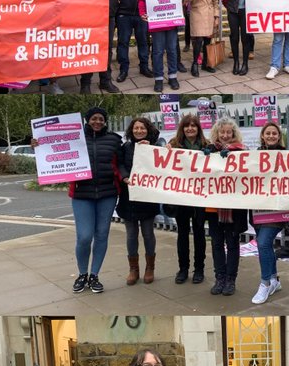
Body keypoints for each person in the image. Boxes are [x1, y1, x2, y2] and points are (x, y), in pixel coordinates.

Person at [32, 107, 121, 294]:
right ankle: (82, 274)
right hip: (82, 194)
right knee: (84, 237)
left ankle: (94, 275)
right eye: (94, 118)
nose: (97, 122)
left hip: (108, 193)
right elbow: (53, 149)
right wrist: (37, 145)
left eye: (101, 119)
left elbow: (123, 161)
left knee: (102, 235)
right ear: (87, 120)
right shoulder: (74, 137)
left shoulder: (114, 140)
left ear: (105, 121)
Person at [205, 119, 246, 297]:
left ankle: (231, 279)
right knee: (216, 244)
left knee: (232, 244)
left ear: (234, 133)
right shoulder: (210, 151)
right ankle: (219, 277)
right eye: (222, 132)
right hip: (214, 208)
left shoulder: (242, 151)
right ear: (217, 133)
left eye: (229, 132)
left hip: (233, 209)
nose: (225, 135)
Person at [167, 114, 209, 284]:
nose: (190, 128)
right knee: (182, 234)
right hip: (181, 198)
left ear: (198, 128)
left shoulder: (207, 145)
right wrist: (166, 150)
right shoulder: (174, 144)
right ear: (182, 128)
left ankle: (199, 269)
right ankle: (183, 269)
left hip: (199, 198)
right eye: (187, 126)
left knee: (199, 234)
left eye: (193, 125)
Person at [118, 118, 159, 285]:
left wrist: (150, 148)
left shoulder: (153, 147)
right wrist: (125, 177)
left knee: (148, 233)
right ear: (131, 130)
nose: (139, 131)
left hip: (147, 197)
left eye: (142, 128)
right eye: (136, 128)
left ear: (147, 130)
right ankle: (133, 269)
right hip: (128, 196)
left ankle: (150, 267)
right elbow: (120, 164)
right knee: (131, 235)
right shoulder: (125, 147)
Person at [251, 123, 287, 304]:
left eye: (274, 133)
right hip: (258, 209)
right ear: (263, 136)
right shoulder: (253, 155)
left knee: (263, 243)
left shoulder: (287, 155)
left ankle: (265, 283)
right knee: (266, 245)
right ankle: (274, 279)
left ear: (278, 136)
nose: (271, 136)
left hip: (277, 210)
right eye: (268, 133)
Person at [141, 0, 184, 93]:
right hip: (157, 24)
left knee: (172, 50)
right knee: (157, 52)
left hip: (171, 24)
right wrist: (142, 12)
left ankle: (172, 77)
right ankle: (158, 78)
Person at [114, 0, 151, 83]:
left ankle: (144, 67)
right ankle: (123, 70)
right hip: (124, 14)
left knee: (143, 42)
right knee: (123, 42)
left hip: (142, 15)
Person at [220, 0, 254, 75]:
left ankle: (245, 64)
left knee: (245, 38)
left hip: (245, 12)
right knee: (234, 37)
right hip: (233, 12)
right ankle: (236, 62)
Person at [186, 0, 219, 77]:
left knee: (207, 41)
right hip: (197, 15)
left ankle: (206, 63)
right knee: (198, 41)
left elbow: (215, 3)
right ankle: (195, 63)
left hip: (209, 16)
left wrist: (216, 17)